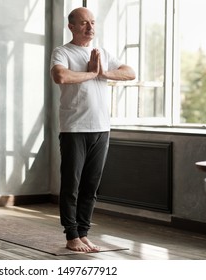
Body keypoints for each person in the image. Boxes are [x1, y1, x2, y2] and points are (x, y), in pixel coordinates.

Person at [50, 7, 135, 252]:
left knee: (91, 186)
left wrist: (103, 72)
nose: (90, 27)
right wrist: (91, 73)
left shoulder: (103, 53)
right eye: (84, 23)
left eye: (93, 22)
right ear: (72, 27)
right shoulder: (63, 52)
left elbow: (129, 72)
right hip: (74, 128)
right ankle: (71, 235)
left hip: (101, 128)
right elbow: (61, 77)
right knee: (71, 185)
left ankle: (84, 232)